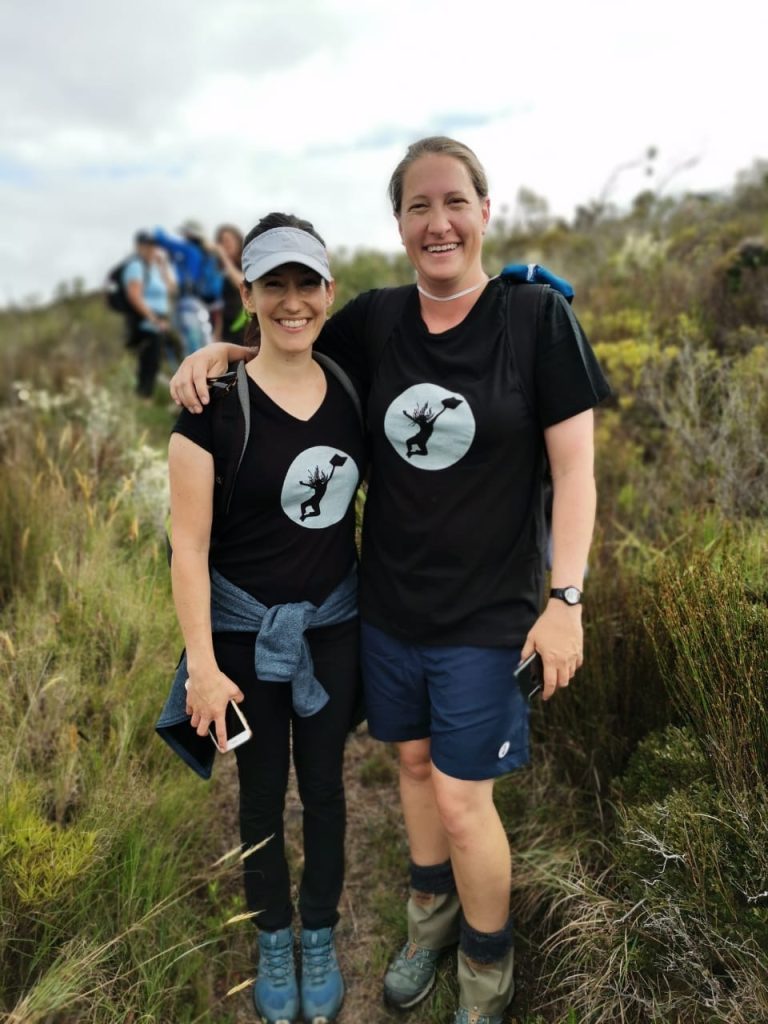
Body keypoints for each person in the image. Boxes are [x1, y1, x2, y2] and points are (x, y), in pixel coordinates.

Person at [169, 137, 611, 1024]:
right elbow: (286, 348)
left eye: (454, 201)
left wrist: (566, 600)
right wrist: (215, 351)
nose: (437, 221)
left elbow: (577, 474)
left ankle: (486, 969)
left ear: (485, 211)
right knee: (410, 766)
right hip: (388, 607)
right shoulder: (375, 321)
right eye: (417, 206)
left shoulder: (534, 320)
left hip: (489, 613)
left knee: (459, 796)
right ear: (400, 225)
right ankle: (426, 925)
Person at [165, 213, 365, 1024]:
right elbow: (187, 549)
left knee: (324, 790)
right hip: (244, 640)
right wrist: (205, 669)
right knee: (258, 797)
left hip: (333, 630)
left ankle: (318, 932)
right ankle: (272, 936)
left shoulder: (355, 389)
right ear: (245, 293)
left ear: (329, 292)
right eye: (271, 284)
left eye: (305, 283)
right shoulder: (210, 405)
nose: (291, 301)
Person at [152, 219, 224, 354]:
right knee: (204, 342)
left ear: (190, 234)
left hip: (189, 302)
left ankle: (195, 373)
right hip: (205, 304)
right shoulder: (206, 253)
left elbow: (159, 237)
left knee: (192, 346)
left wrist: (156, 228)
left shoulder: (187, 249)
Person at [122, 230, 176, 397]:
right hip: (146, 322)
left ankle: (147, 396)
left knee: (156, 361)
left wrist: (163, 266)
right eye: (147, 246)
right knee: (148, 362)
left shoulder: (154, 267)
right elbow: (134, 296)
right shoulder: (136, 266)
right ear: (139, 247)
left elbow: (171, 289)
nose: (151, 250)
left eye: (153, 246)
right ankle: (143, 397)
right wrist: (153, 319)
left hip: (160, 321)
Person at [210, 223, 247, 342]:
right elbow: (221, 303)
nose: (225, 245)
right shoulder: (222, 271)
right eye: (222, 241)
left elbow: (242, 283)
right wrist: (217, 334)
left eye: (228, 240)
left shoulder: (246, 263)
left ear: (238, 241)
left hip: (244, 327)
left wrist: (224, 257)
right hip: (227, 327)